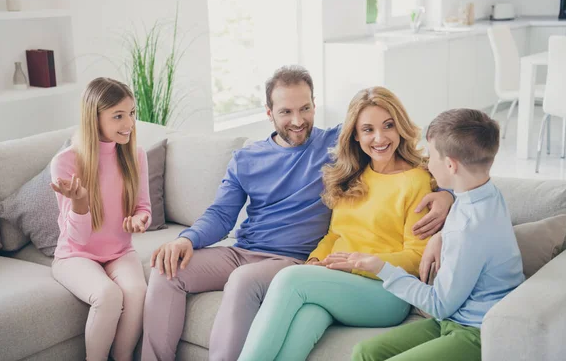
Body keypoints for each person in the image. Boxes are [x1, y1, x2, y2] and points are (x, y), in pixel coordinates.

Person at [141, 66, 454, 361]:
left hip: (293, 261)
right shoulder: (252, 158)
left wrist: (446, 194)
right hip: (247, 250)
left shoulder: (336, 145)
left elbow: (444, 167)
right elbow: (222, 215)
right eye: (286, 111)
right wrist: (186, 239)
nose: (297, 120)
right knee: (166, 269)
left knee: (245, 280)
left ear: (315, 105)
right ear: (269, 113)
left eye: (305, 108)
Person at [238, 87, 436, 361]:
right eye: (368, 129)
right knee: (308, 317)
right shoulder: (352, 175)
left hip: (388, 293)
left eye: (388, 126)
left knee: (289, 278)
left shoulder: (416, 181)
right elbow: (334, 234)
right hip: (339, 282)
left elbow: (417, 257)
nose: (379, 138)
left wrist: (360, 262)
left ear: (400, 126)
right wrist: (315, 260)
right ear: (355, 134)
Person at [343, 109, 525, 361]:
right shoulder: (486, 193)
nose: (427, 164)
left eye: (431, 156)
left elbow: (439, 304)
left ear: (450, 165)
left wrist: (381, 267)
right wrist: (439, 237)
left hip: (475, 332)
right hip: (452, 319)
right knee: (364, 352)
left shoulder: (468, 230)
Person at [50, 77, 151, 361]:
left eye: (131, 113)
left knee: (137, 292)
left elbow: (143, 205)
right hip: (75, 255)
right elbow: (77, 238)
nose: (129, 123)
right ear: (93, 119)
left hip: (120, 251)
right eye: (118, 116)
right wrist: (80, 203)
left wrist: (140, 220)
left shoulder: (136, 155)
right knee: (108, 296)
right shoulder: (66, 163)